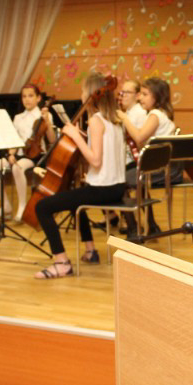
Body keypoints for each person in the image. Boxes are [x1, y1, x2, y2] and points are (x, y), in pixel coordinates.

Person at [33, 72, 126, 279]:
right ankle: (90, 250)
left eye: (83, 90)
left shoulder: (95, 121)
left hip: (102, 189)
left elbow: (95, 161)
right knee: (75, 200)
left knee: (42, 207)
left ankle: (62, 263)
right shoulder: (116, 120)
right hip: (117, 187)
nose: (81, 94)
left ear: (91, 93)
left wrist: (75, 136)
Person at [117, 76, 182, 235]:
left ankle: (133, 229)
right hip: (163, 168)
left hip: (160, 170)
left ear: (157, 97)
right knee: (128, 177)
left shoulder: (155, 115)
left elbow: (139, 138)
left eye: (145, 94)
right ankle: (151, 226)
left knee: (118, 182)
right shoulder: (161, 113)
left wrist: (124, 118)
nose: (140, 98)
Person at [0, 83, 56, 222]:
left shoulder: (45, 115)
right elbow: (14, 139)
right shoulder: (18, 117)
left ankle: (23, 206)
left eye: (30, 96)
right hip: (19, 153)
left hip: (35, 155)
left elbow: (52, 139)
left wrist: (47, 122)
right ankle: (5, 206)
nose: (27, 99)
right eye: (24, 96)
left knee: (17, 168)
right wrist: (11, 154)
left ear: (38, 98)